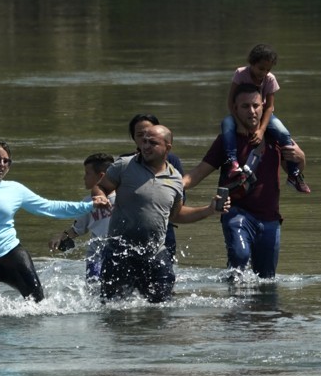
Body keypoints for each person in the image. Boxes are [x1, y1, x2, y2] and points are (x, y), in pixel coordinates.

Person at [0, 140, 110, 310]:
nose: (1, 164)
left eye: (6, 161)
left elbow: (49, 207)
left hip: (10, 255)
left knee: (40, 306)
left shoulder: (15, 189)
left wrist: (89, 205)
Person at [182, 83, 307, 280]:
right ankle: (235, 308)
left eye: (256, 105)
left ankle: (262, 311)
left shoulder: (275, 137)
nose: (252, 111)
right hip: (236, 212)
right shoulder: (226, 141)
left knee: (267, 278)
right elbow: (198, 173)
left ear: (263, 107)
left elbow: (293, 171)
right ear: (235, 109)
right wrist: (170, 186)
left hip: (270, 217)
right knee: (239, 257)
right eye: (245, 106)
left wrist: (301, 157)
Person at [96, 125, 227, 303]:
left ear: (168, 147)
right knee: (112, 309)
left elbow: (176, 215)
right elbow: (100, 186)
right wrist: (100, 198)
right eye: (144, 141)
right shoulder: (124, 165)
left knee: (162, 308)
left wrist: (209, 210)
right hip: (120, 252)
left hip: (155, 253)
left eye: (153, 142)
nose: (146, 146)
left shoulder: (175, 179)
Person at [220, 44, 310, 194]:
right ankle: (232, 162)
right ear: (252, 64)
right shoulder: (241, 74)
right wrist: (239, 123)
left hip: (262, 114)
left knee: (283, 133)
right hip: (240, 114)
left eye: (268, 69)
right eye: (261, 68)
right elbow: (230, 102)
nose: (264, 73)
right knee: (227, 126)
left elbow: (269, 107)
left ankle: (294, 174)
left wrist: (261, 130)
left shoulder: (269, 79)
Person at [48, 153, 116, 282]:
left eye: (87, 173)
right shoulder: (88, 203)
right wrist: (60, 237)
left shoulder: (123, 198)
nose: (84, 177)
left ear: (101, 176)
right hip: (94, 259)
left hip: (117, 256)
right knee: (94, 293)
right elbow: (76, 229)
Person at [125, 114, 182, 259]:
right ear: (134, 139)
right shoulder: (125, 163)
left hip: (163, 231)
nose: (146, 140)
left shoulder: (172, 162)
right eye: (140, 135)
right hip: (130, 233)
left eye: (150, 134)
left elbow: (179, 203)